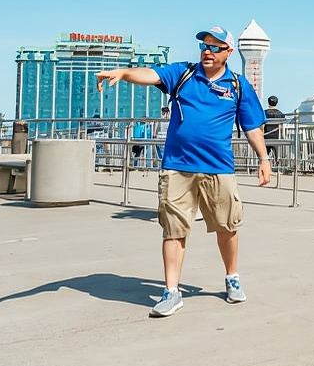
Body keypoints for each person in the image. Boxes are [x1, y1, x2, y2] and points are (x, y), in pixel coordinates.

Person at [95, 26, 270, 317]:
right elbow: (151, 74)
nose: (207, 51)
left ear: (229, 52)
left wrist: (264, 158)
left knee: (227, 227)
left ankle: (231, 276)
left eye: (215, 47)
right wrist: (124, 74)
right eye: (204, 45)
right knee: (173, 229)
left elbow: (252, 126)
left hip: (218, 167)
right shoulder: (183, 74)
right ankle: (171, 291)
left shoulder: (238, 86)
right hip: (177, 167)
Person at [263, 95, 285, 165]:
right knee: (277, 155)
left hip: (266, 136)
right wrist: (282, 136)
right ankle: (277, 168)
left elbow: (262, 125)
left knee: (265, 156)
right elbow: (281, 126)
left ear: (268, 102)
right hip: (276, 137)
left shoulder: (264, 113)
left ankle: (266, 168)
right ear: (277, 103)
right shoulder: (281, 114)